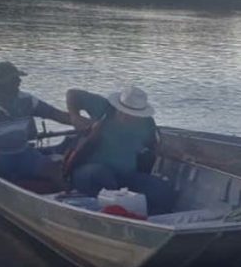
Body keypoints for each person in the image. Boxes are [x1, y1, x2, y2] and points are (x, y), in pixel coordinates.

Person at [64, 85, 175, 215]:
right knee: (101, 175)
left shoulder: (147, 124)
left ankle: (149, 218)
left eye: (132, 114)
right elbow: (72, 94)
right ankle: (108, 210)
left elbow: (153, 147)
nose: (125, 116)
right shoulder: (103, 107)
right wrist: (75, 117)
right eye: (122, 111)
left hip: (126, 176)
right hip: (88, 171)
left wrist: (171, 152)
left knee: (161, 189)